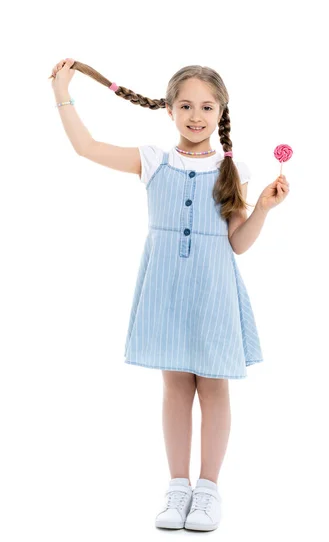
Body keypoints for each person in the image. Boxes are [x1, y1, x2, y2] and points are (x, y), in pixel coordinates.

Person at [50, 58, 290, 532]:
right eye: (185, 105)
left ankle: (208, 490)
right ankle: (177, 486)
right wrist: (62, 90)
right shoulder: (153, 159)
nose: (195, 115)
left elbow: (237, 244)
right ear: (169, 110)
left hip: (214, 290)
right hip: (167, 287)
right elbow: (86, 147)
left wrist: (262, 208)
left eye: (206, 106)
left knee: (214, 386)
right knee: (176, 387)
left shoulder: (231, 169)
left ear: (221, 111)